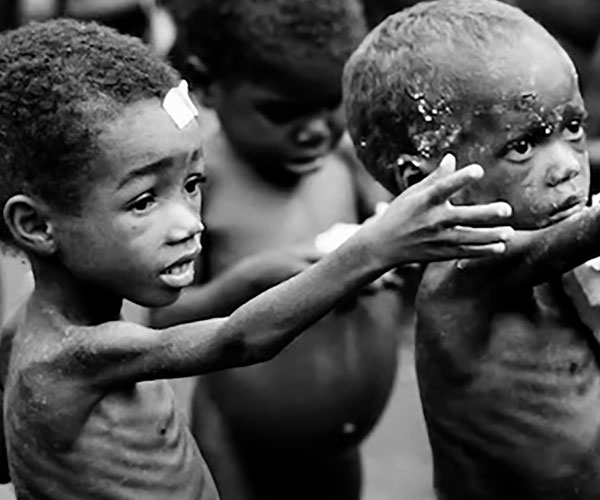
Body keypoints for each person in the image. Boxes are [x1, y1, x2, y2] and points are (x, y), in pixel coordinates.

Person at [0, 18, 514, 500]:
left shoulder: (23, 332)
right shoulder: (73, 356)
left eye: (192, 184)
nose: (189, 223)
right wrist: (376, 247)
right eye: (143, 202)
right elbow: (238, 339)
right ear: (36, 226)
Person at [151, 1, 421, 498]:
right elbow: (162, 319)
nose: (315, 129)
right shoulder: (201, 184)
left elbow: (396, 241)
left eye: (330, 104)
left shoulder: (347, 162)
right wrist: (250, 281)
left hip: (338, 449)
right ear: (208, 86)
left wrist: (388, 252)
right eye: (281, 112)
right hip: (242, 443)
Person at [344, 0, 600, 498]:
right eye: (522, 147)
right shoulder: (463, 278)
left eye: (572, 126)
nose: (567, 166)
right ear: (428, 184)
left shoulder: (560, 254)